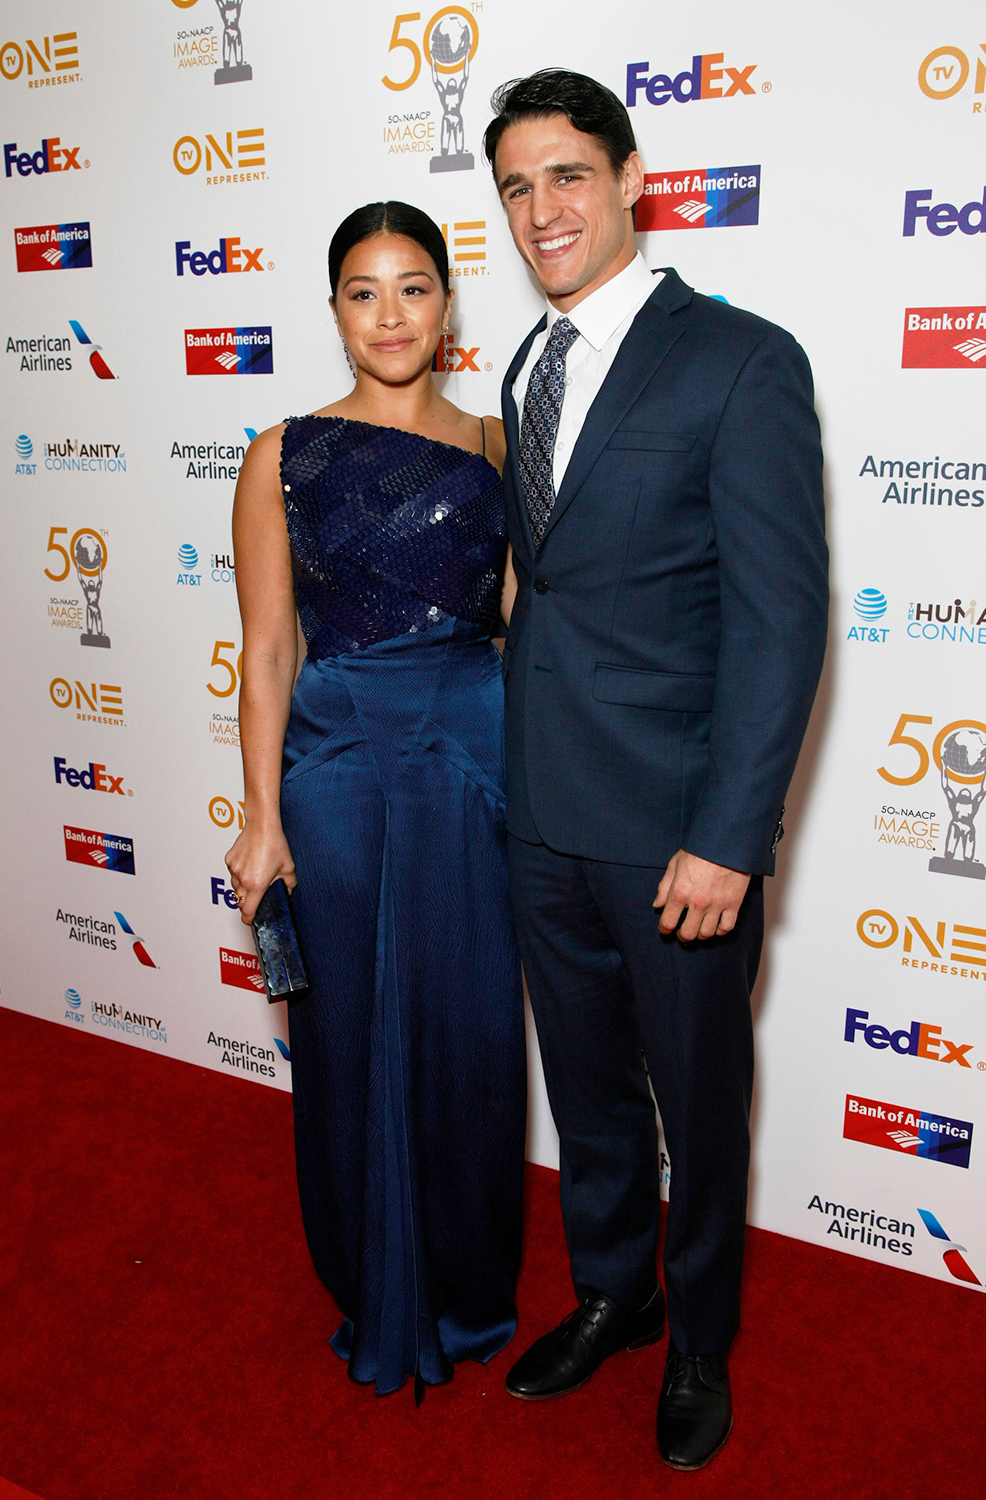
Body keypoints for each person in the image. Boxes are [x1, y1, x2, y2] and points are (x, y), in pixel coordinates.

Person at [484, 71, 828, 1470]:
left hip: (679, 830)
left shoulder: (742, 360)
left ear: (633, 178)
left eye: (568, 175)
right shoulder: (525, 362)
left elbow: (779, 615)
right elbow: (547, 588)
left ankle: (699, 1338)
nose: (542, 209)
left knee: (698, 1094)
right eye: (515, 186)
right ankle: (614, 1295)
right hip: (542, 814)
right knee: (589, 1087)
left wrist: (733, 834)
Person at [224, 201, 526, 1400]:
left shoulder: (501, 448)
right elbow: (263, 653)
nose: (390, 313)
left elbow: (522, 624)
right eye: (363, 290)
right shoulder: (281, 451)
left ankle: (461, 1279)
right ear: (334, 307)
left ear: (447, 303)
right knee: (344, 1033)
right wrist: (259, 816)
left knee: (469, 1034)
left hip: (470, 760)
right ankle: (369, 1278)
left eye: (413, 287)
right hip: (337, 769)